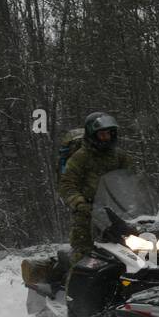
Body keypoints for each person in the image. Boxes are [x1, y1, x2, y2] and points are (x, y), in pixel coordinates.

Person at [58, 112, 131, 266]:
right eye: (102, 134)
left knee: (141, 249)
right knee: (83, 256)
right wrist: (79, 203)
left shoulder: (120, 156)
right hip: (88, 214)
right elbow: (67, 184)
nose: (107, 138)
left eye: (109, 134)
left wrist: (139, 201)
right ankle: (74, 289)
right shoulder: (80, 157)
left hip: (117, 214)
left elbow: (131, 180)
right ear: (92, 135)